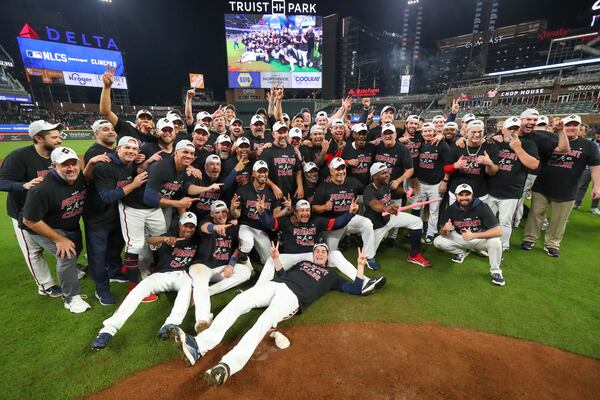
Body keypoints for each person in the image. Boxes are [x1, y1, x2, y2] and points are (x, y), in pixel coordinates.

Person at [164, 242, 374, 387]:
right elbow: (284, 275)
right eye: (317, 251)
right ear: (313, 254)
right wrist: (275, 259)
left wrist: (360, 267)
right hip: (277, 285)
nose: (319, 254)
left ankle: (227, 365)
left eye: (323, 252)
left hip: (292, 300)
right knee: (239, 301)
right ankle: (199, 346)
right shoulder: (303, 264)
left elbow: (354, 288)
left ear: (327, 257)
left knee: (262, 322)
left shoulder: (332, 276)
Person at [90, 212, 199, 350]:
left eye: (191, 227)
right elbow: (150, 240)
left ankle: (171, 324)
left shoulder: (197, 240)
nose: (188, 230)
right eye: (185, 226)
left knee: (188, 286)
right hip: (161, 275)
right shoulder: (169, 235)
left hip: (181, 275)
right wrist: (164, 239)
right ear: (179, 225)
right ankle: (107, 331)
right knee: (137, 292)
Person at [22, 147, 92, 312]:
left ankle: (70, 271)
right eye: (64, 165)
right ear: (54, 166)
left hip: (67, 224)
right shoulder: (41, 189)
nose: (71, 168)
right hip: (41, 226)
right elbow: (30, 220)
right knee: (68, 254)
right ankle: (71, 298)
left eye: (73, 163)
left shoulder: (78, 177)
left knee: (76, 248)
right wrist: (59, 240)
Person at [0, 120, 63, 297]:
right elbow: (2, 182)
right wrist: (23, 185)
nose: (59, 140)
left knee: (56, 240)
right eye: (54, 137)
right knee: (33, 251)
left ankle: (69, 265)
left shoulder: (57, 156)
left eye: (59, 136)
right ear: (38, 138)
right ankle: (45, 285)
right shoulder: (19, 157)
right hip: (23, 212)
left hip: (48, 210)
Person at [522, 115, 600, 257]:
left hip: (567, 189)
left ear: (579, 127)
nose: (571, 127)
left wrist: (597, 186)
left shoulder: (589, 146)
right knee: (535, 214)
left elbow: (595, 166)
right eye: (568, 124)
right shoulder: (550, 139)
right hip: (542, 185)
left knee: (559, 220)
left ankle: (552, 244)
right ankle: (529, 239)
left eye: (574, 125)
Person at [83, 136, 148, 305]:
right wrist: (133, 185)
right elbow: (106, 197)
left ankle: (114, 272)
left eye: (134, 149)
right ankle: (102, 289)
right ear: (117, 149)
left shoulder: (130, 165)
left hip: (116, 215)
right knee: (98, 255)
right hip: (97, 217)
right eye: (127, 148)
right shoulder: (104, 166)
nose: (131, 152)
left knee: (115, 247)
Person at [188, 201, 253, 333]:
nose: (221, 214)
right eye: (217, 212)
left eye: (223, 211)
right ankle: (203, 321)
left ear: (227, 212)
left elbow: (236, 247)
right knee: (200, 280)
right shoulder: (205, 221)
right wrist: (214, 228)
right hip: (202, 265)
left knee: (246, 272)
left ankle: (206, 293)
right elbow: (204, 227)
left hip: (222, 267)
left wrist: (231, 264)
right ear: (212, 214)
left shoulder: (233, 226)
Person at [312, 157, 378, 269]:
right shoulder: (323, 187)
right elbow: (314, 208)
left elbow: (366, 192)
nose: (341, 172)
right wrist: (323, 207)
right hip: (333, 224)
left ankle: (369, 256)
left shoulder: (353, 182)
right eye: (337, 169)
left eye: (343, 169)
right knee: (332, 258)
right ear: (331, 171)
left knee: (367, 223)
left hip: (350, 218)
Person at [433, 184, 505, 286]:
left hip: (479, 239)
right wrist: (445, 229)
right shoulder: (451, 209)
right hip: (461, 238)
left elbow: (498, 231)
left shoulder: (482, 206)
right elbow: (441, 232)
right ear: (456, 196)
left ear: (472, 195)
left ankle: (496, 271)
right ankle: (463, 251)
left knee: (496, 241)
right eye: (461, 195)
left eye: (467, 194)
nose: (464, 197)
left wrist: (474, 235)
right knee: (438, 241)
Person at [485, 117, 539, 250]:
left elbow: (534, 165)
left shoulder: (527, 144)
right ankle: (485, 243)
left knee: (505, 222)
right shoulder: (495, 142)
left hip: (511, 191)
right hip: (491, 189)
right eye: (510, 129)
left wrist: (518, 148)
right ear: (503, 129)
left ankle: (503, 246)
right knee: (487, 220)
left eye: (516, 128)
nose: (513, 132)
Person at [363, 162, 432, 267]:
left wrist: (406, 192)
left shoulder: (385, 183)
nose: (387, 175)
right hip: (377, 226)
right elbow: (374, 204)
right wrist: (386, 208)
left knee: (417, 222)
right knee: (367, 256)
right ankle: (369, 255)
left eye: (387, 172)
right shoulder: (369, 191)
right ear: (375, 177)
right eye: (383, 173)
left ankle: (414, 255)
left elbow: (394, 189)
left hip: (389, 218)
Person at [230, 160, 285, 264]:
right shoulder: (243, 190)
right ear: (254, 173)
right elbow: (237, 215)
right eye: (260, 171)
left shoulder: (271, 193)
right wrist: (233, 209)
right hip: (246, 226)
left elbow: (274, 216)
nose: (263, 174)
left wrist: (286, 210)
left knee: (269, 260)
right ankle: (246, 264)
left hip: (262, 229)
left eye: (265, 171)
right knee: (247, 244)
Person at [413, 123, 451, 243]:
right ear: (422, 133)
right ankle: (416, 231)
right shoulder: (420, 144)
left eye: (430, 131)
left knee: (434, 211)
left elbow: (448, 165)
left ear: (434, 132)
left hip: (436, 184)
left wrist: (445, 181)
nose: (427, 133)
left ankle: (430, 233)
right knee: (417, 208)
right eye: (425, 131)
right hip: (420, 183)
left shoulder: (442, 145)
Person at [100, 65, 156, 145]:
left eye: (148, 118)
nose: (145, 120)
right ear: (136, 121)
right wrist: (107, 87)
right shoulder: (125, 127)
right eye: (142, 118)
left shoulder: (154, 138)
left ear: (152, 123)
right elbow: (106, 112)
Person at [574, 129, 600, 214]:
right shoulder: (589, 142)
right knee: (581, 186)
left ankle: (594, 207)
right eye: (598, 134)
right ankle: (577, 203)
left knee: (597, 188)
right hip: (587, 168)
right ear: (595, 134)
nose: (598, 136)